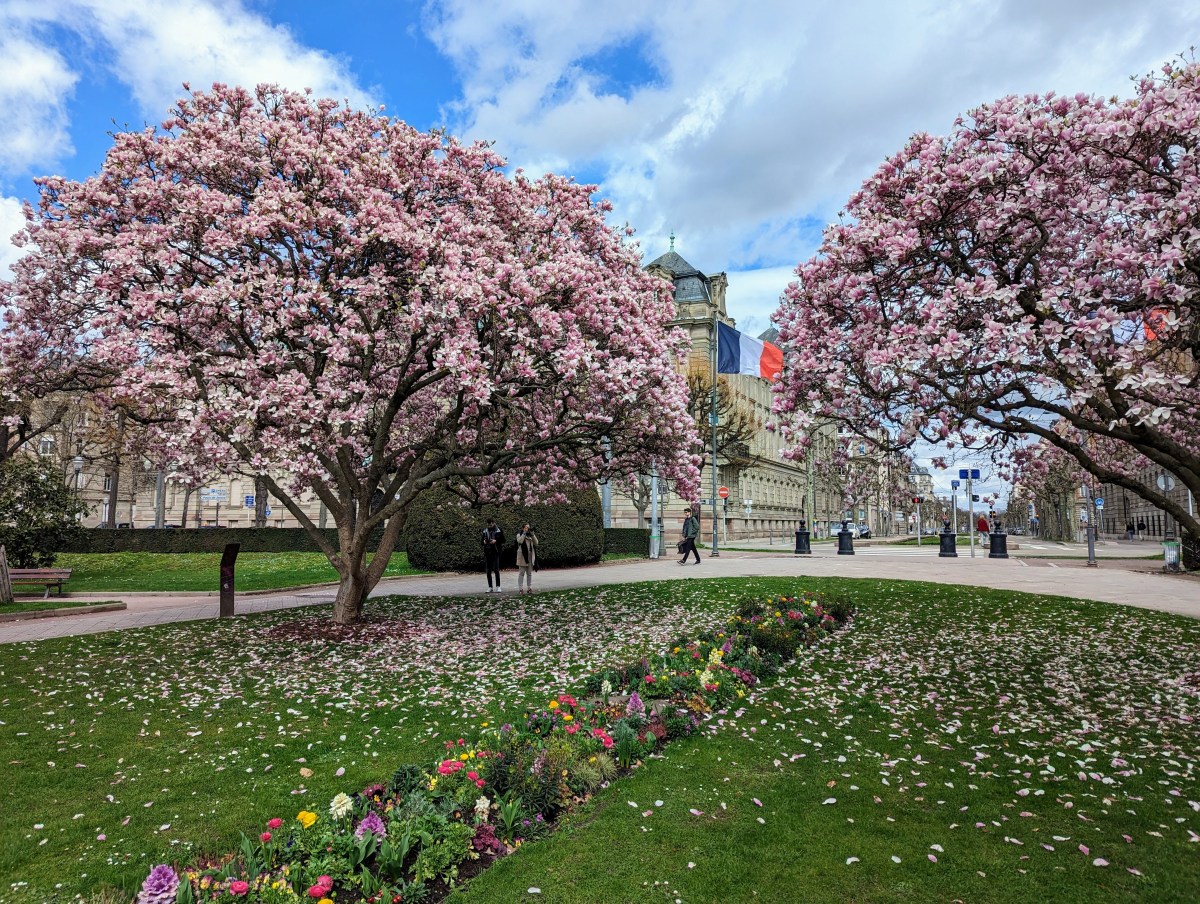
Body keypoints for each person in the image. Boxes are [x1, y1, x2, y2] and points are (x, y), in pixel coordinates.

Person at [482, 517, 504, 592]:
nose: (490, 526)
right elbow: (481, 541)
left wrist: (496, 541)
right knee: (488, 571)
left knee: (496, 569)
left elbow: (503, 540)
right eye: (488, 525)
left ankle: (498, 586)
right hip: (487, 551)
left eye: (491, 525)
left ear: (494, 523)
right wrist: (484, 542)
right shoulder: (485, 531)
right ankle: (490, 587)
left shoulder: (498, 530)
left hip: (495, 551)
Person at [515, 522, 538, 595]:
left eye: (528, 527)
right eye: (526, 527)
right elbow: (520, 541)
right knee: (521, 573)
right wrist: (524, 533)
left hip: (530, 556)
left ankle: (529, 588)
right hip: (522, 556)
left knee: (529, 573)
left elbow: (536, 543)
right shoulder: (519, 534)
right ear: (523, 528)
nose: (528, 529)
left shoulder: (531, 535)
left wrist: (533, 534)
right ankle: (520, 589)